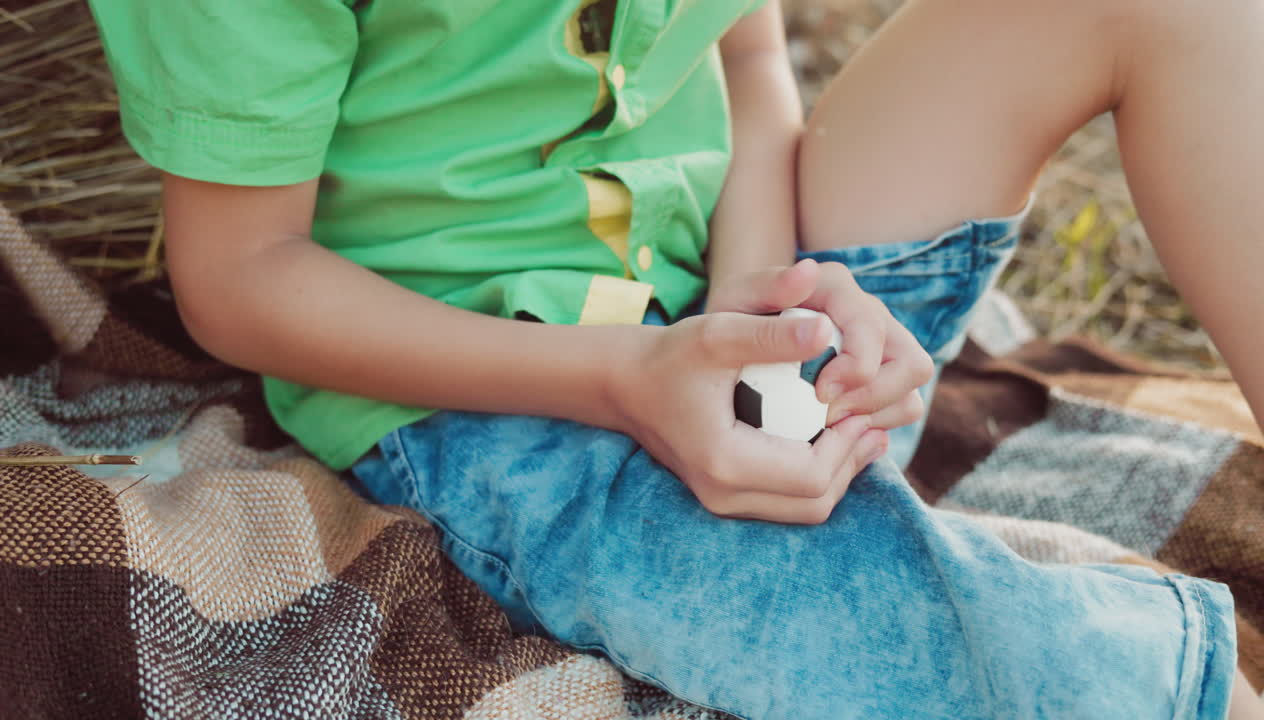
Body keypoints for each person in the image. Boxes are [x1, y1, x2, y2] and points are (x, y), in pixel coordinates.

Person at [88, 0, 1264, 716]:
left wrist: (767, 316)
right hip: (498, 379)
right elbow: (240, 276)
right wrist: (628, 379)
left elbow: (746, 67)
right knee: (1015, 664)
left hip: (744, 259)